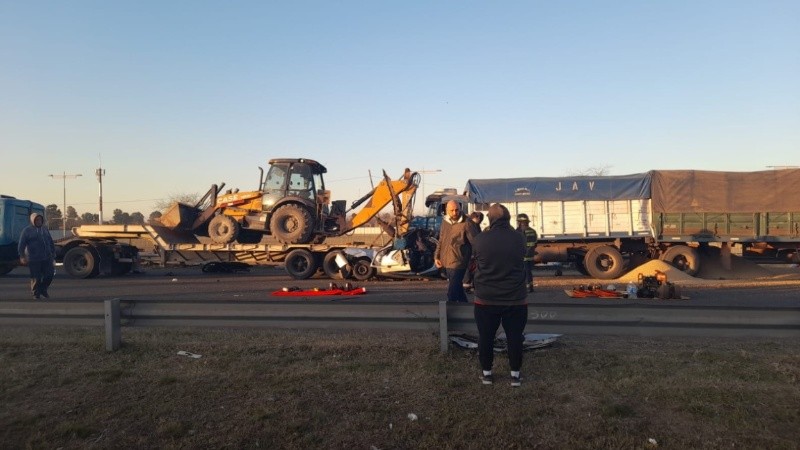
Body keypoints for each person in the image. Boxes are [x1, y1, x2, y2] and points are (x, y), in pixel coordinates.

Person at [472, 204, 528, 386]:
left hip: (486, 299)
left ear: (490, 219)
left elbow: (476, 263)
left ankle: (487, 374)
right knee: (515, 337)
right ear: (509, 218)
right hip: (516, 299)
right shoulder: (519, 239)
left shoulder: (480, 239)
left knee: (486, 337)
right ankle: (515, 375)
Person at [434, 200, 478, 303]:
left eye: (457, 210)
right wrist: (436, 257)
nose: (455, 213)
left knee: (452, 293)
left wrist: (476, 259)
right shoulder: (445, 222)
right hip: (446, 262)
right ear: (446, 211)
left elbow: (476, 242)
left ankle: (449, 315)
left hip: (459, 262)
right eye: (452, 210)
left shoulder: (467, 223)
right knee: (458, 290)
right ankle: (467, 312)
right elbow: (441, 240)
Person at [17, 213, 56, 300]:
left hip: (47, 257)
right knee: (36, 278)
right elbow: (21, 245)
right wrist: (22, 256)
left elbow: (50, 242)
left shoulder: (45, 229)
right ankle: (36, 294)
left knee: (49, 275)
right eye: (37, 220)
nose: (39, 221)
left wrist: (53, 255)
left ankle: (43, 289)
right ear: (32, 221)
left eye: (40, 220)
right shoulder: (27, 231)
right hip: (34, 258)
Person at [516, 213, 538, 293]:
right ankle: (530, 287)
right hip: (530, 255)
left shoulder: (520, 231)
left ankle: (525, 287)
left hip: (523, 255)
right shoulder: (533, 231)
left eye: (518, 222)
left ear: (521, 222)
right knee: (528, 271)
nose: (518, 223)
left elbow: (517, 243)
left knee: (523, 272)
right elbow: (535, 243)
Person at [462, 211, 485, 291]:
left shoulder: (473, 224)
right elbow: (474, 238)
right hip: (471, 249)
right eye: (480, 219)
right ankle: (467, 285)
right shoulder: (470, 224)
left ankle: (469, 284)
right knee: (470, 267)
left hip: (472, 249)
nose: (481, 221)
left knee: (472, 267)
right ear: (477, 218)